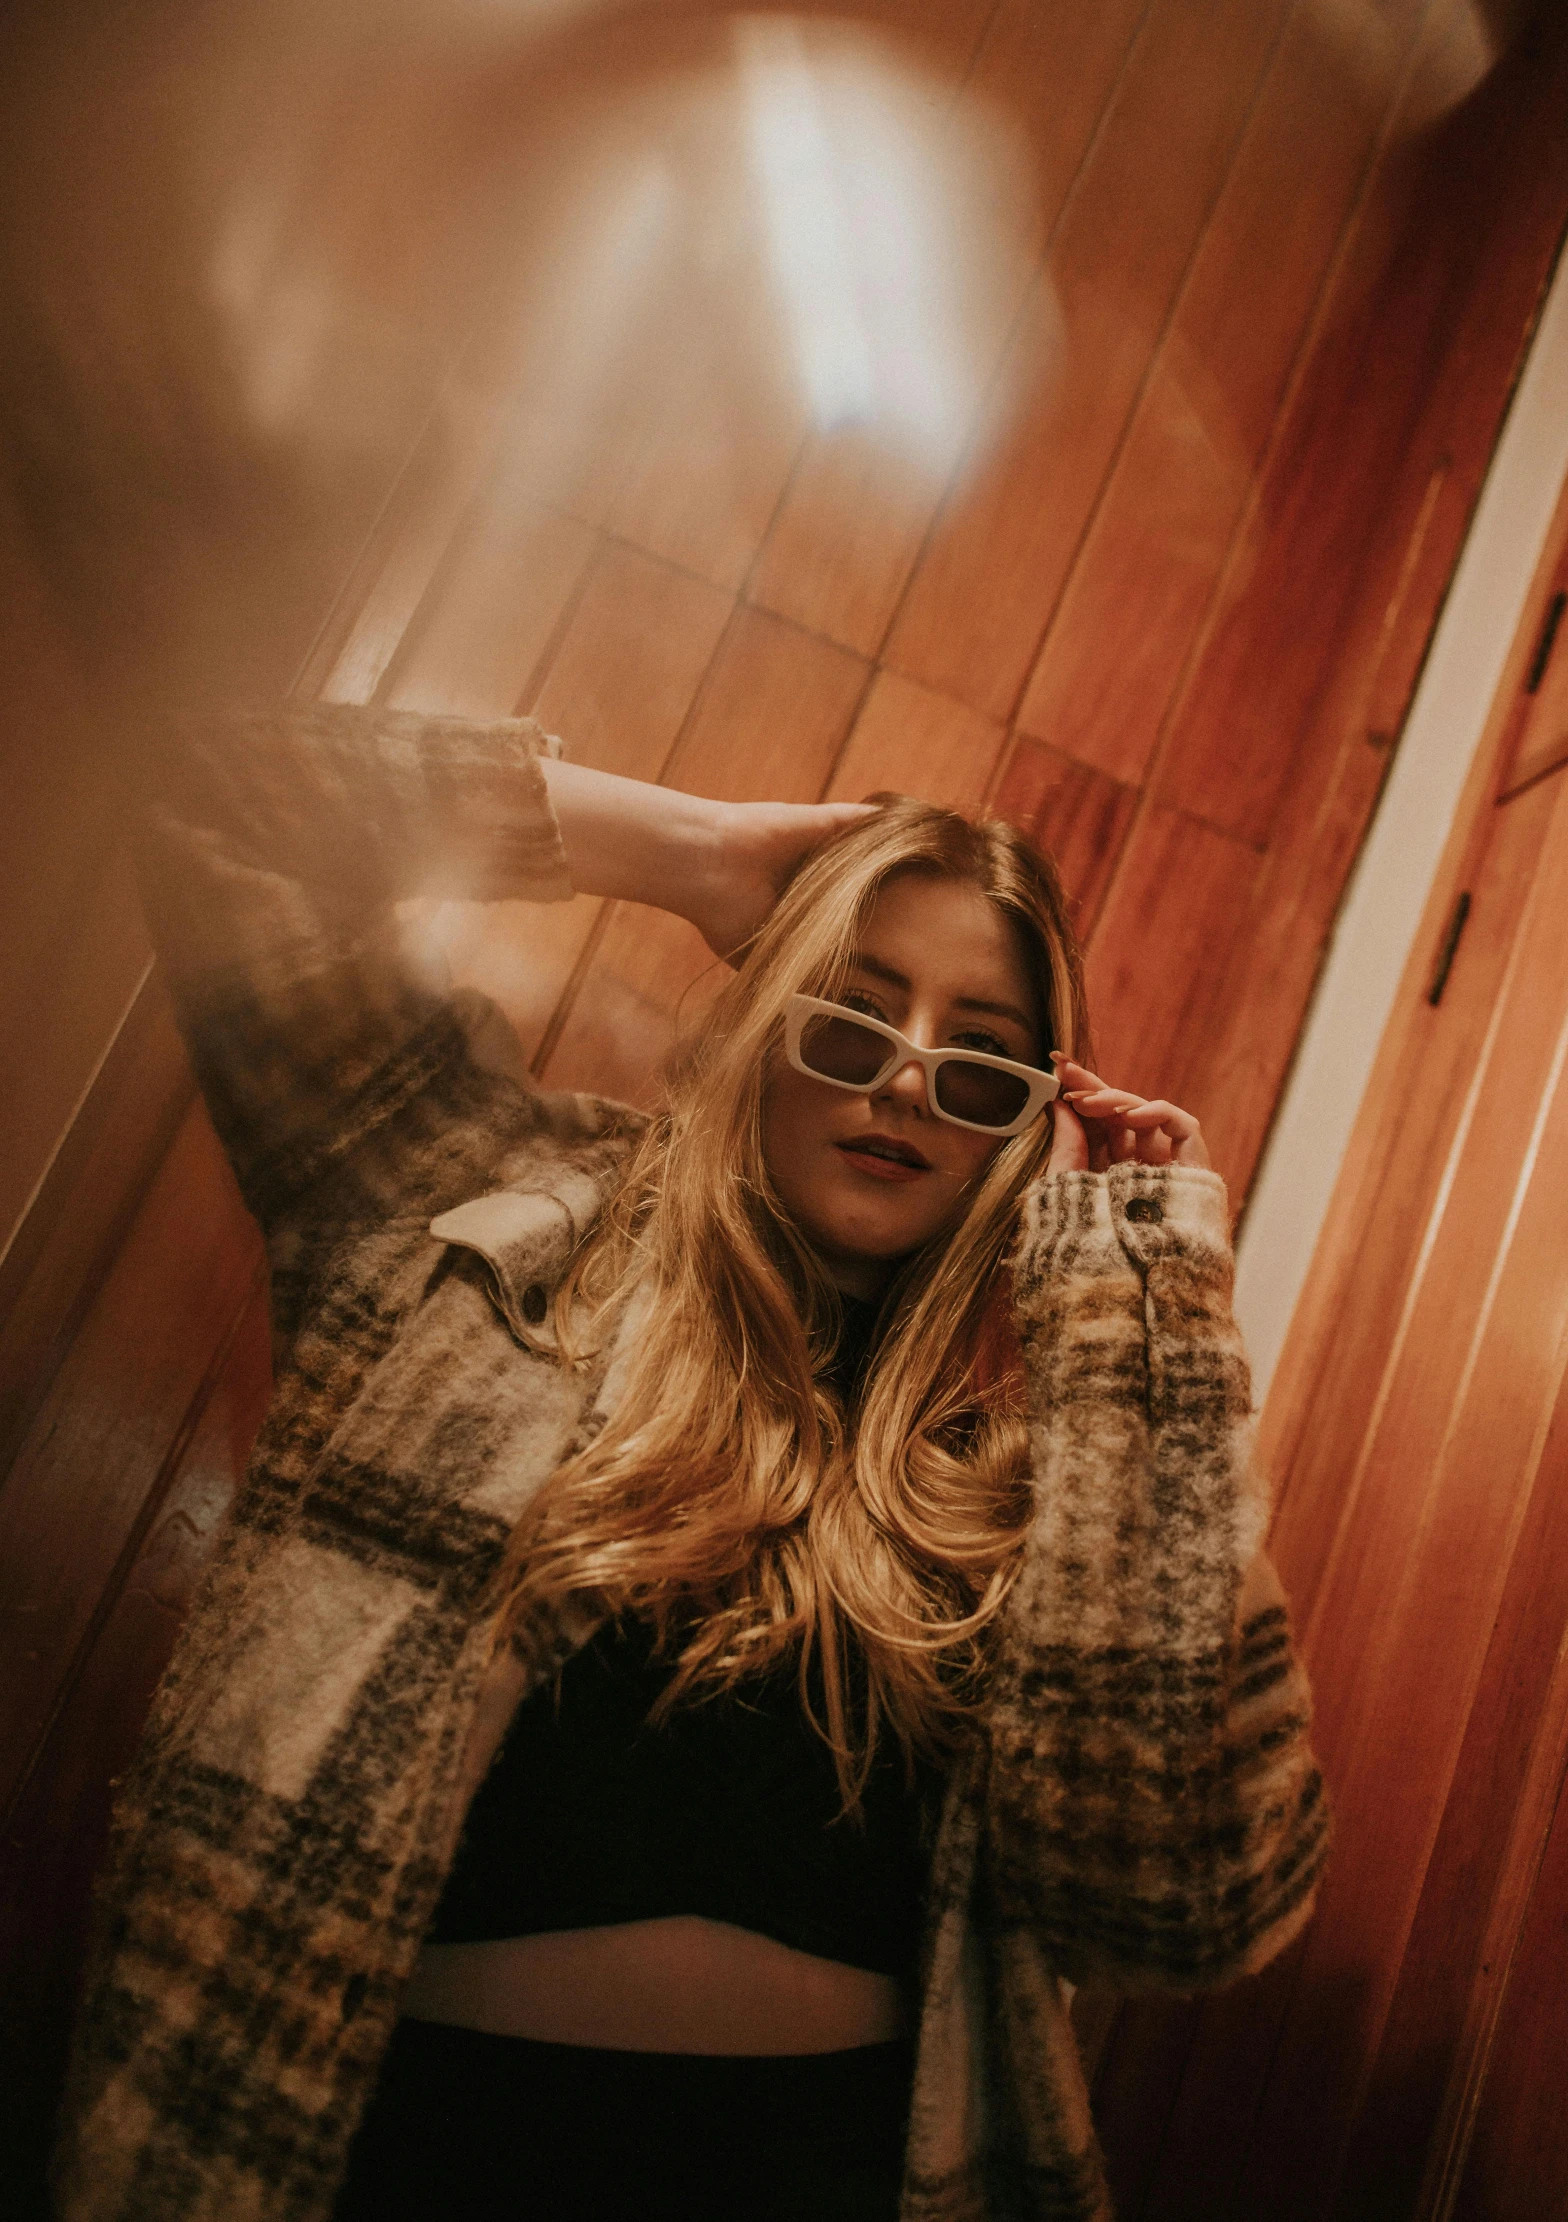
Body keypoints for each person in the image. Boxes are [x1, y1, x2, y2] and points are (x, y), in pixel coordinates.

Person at [54, 701, 1328, 2222]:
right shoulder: (476, 1222)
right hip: (381, 2148)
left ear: (1024, 1127)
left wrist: (1132, 1307)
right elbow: (212, 789)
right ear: (762, 1013)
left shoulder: (1034, 1488)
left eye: (982, 1062)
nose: (908, 1077)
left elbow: (1175, 1903)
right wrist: (692, 850)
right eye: (852, 1009)